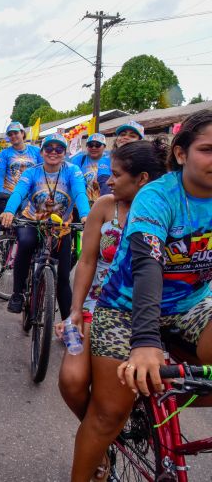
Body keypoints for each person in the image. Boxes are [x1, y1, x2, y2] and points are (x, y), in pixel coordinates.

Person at [70, 110, 212, 482]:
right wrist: (145, 340)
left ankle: (161, 400)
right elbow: (147, 264)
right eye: (208, 150)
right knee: (107, 415)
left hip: (191, 305)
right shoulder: (156, 197)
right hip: (124, 310)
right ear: (181, 155)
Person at [56, 138, 167, 480]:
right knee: (71, 381)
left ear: (143, 179)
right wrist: (75, 308)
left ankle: (100, 437)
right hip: (93, 307)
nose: (108, 180)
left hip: (143, 314)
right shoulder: (105, 206)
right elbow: (87, 260)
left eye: (116, 174)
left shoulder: (163, 211)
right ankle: (102, 439)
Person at [0, 134, 90, 319]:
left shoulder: (73, 171)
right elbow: (18, 193)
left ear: (65, 153)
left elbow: (80, 193)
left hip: (61, 228)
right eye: (49, 148)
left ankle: (68, 326)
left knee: (63, 279)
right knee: (25, 243)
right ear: (41, 152)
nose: (53, 152)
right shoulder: (32, 172)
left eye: (59, 149)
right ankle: (17, 294)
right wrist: (9, 211)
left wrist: (85, 215)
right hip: (33, 221)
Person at [0, 122, 43, 241]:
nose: (13, 136)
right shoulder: (5, 153)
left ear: (22, 133)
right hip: (10, 193)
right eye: (10, 134)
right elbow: (0, 176)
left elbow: (42, 173)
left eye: (16, 133)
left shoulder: (36, 151)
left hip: (30, 196)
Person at [70, 133, 111, 204]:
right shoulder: (78, 160)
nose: (93, 148)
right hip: (82, 203)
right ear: (86, 146)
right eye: (90, 145)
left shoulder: (110, 160)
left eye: (97, 145)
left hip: (102, 203)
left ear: (104, 147)